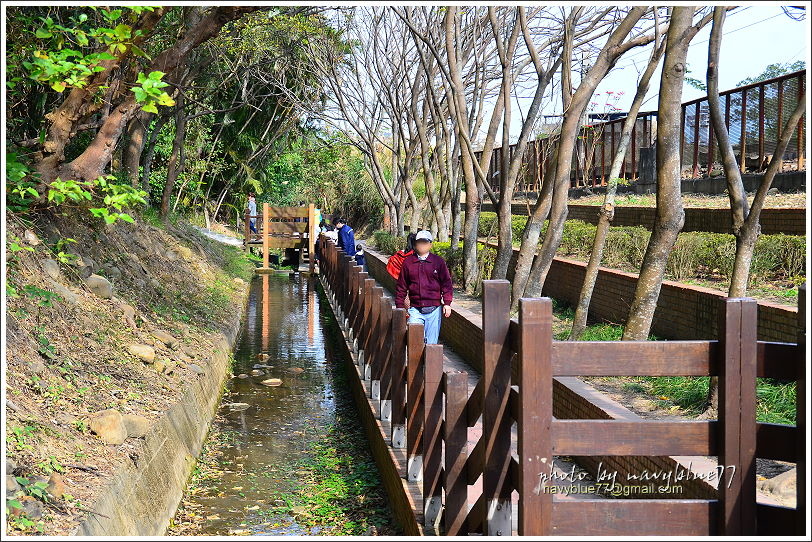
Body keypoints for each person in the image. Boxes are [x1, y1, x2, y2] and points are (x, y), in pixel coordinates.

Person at [394, 230, 453, 344]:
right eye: (419, 242)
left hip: (434, 309)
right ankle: (416, 362)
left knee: (431, 344)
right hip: (415, 309)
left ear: (430, 244)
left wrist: (447, 303)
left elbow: (446, 283)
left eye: (425, 242)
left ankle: (428, 362)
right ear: (415, 245)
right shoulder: (408, 263)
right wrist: (400, 307)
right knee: (414, 342)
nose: (422, 245)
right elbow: (401, 286)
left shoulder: (438, 262)